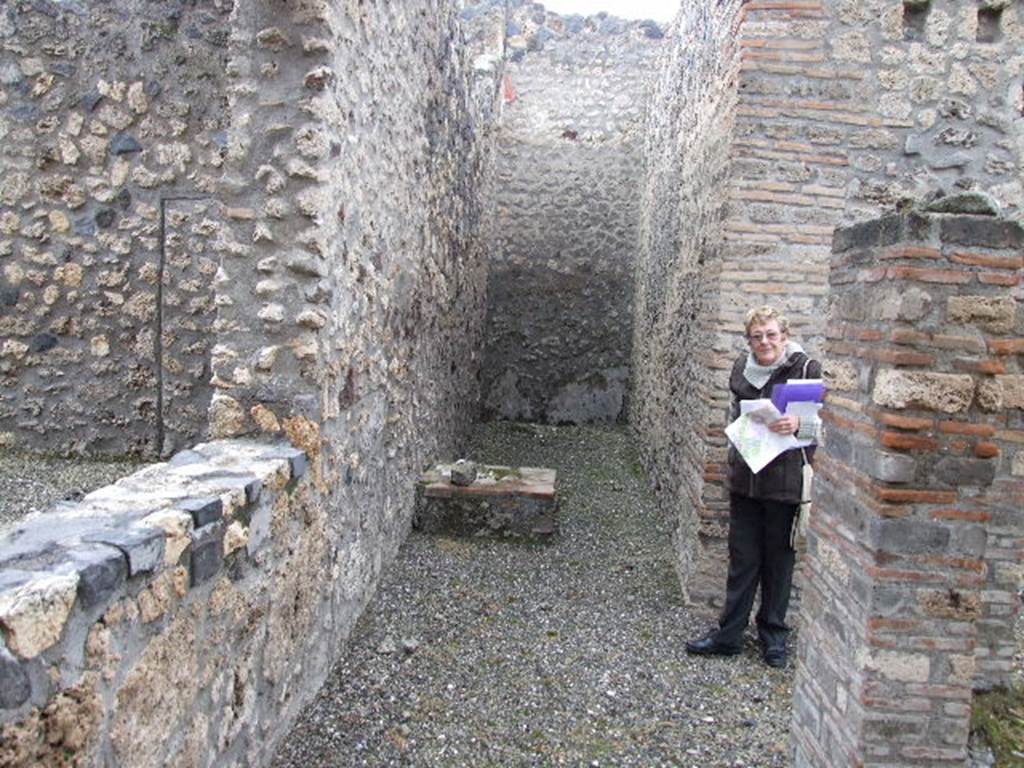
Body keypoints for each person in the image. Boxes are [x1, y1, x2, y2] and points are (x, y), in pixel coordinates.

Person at [686, 306, 821, 668]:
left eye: (771, 334)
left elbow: (814, 433)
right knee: (743, 559)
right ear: (749, 340)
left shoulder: (804, 369)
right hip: (747, 479)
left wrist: (797, 423)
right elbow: (736, 416)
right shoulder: (740, 370)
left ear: (784, 335)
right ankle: (729, 634)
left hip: (785, 483)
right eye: (757, 336)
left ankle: (773, 637)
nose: (764, 342)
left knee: (779, 562)